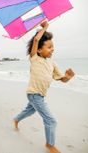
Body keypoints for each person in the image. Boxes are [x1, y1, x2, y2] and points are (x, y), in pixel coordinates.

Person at [13, 21, 75, 153]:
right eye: (49, 47)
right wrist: (45, 27)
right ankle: (50, 145)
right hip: (34, 93)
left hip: (40, 94)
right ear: (39, 50)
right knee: (51, 120)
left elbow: (61, 79)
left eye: (53, 46)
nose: (52, 49)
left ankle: (16, 119)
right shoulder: (34, 57)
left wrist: (68, 77)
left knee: (30, 110)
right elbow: (36, 39)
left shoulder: (52, 63)